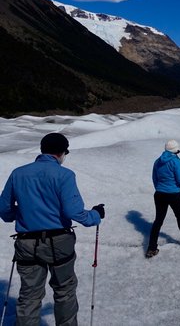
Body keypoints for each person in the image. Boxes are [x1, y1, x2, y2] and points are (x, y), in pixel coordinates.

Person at [0, 132, 104, 325]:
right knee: (64, 290)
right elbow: (74, 211)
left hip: (26, 242)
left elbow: (5, 211)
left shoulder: (18, 173)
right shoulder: (64, 175)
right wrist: (96, 215)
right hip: (59, 241)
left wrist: (25, 212)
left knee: (30, 294)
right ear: (62, 152)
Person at [146, 140, 180, 258]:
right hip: (174, 194)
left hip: (159, 194)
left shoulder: (157, 161)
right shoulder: (176, 161)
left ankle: (152, 248)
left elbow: (154, 178)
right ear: (176, 150)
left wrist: (159, 188)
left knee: (158, 221)